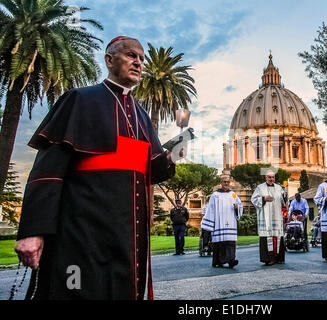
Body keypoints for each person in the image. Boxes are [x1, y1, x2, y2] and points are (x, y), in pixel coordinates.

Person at [14, 36, 177, 300]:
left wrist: (175, 154)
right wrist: (32, 232)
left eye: (142, 58)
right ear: (109, 60)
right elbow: (47, 172)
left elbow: (155, 171)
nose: (138, 62)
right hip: (80, 235)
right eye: (131, 55)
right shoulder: (79, 100)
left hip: (127, 242)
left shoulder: (142, 115)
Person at [201, 175, 243, 268]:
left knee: (230, 242)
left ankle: (231, 260)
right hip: (219, 222)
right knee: (220, 243)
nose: (226, 183)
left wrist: (237, 208)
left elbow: (240, 205)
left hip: (231, 221)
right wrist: (210, 223)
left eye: (228, 182)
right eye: (224, 182)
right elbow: (210, 209)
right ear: (221, 183)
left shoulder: (233, 194)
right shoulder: (215, 195)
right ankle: (219, 261)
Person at [251, 169, 286, 266]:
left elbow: (284, 201)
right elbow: (253, 199)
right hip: (265, 218)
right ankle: (268, 259)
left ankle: (278, 258)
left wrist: (285, 196)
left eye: (273, 177)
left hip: (276, 216)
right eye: (269, 177)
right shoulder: (260, 188)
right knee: (267, 236)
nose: (271, 179)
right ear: (266, 177)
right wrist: (263, 199)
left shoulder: (279, 188)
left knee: (278, 236)